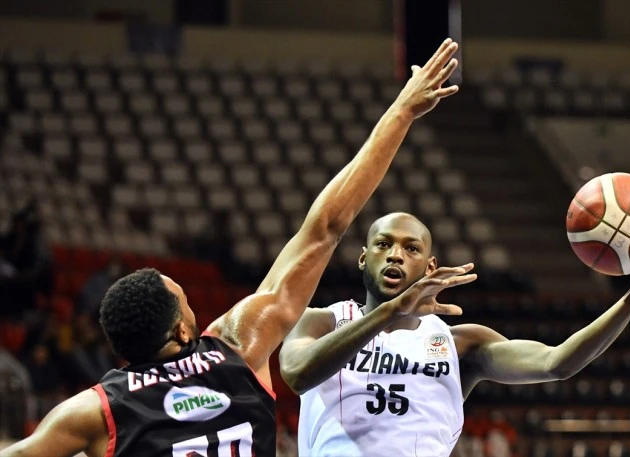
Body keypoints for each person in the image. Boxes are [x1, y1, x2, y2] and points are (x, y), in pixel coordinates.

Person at [0, 38, 461, 457]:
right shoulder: (237, 349)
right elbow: (326, 227)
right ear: (182, 331)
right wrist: (401, 111)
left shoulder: (96, 411)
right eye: (185, 299)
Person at [280, 211, 630, 457]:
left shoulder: (461, 343)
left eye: (411, 248)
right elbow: (297, 374)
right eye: (383, 244)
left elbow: (557, 363)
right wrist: (388, 314)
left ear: (430, 266)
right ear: (364, 258)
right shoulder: (323, 322)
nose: (396, 254)